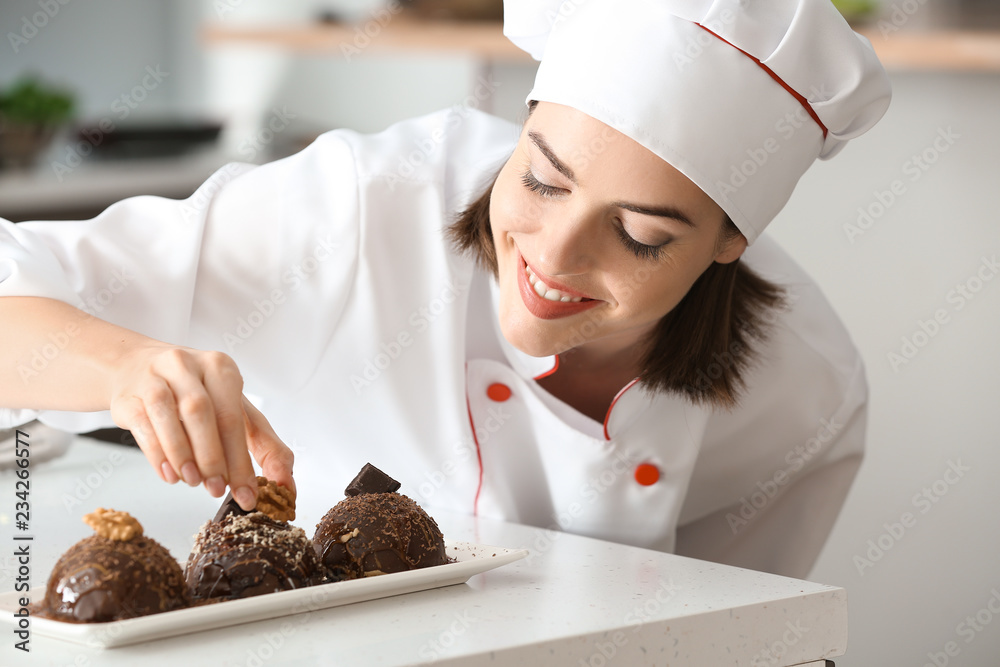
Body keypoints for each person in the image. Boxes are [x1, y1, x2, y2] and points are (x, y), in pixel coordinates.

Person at [0, 0, 890, 578]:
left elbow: (730, 639)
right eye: (541, 180)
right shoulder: (365, 206)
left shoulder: (803, 394)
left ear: (734, 240)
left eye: (640, 235)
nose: (554, 257)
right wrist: (128, 364)